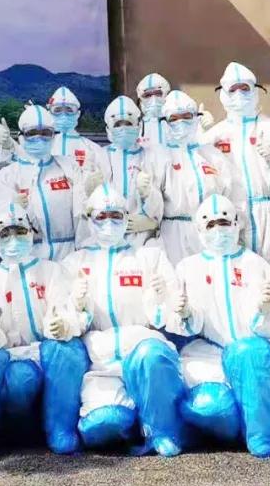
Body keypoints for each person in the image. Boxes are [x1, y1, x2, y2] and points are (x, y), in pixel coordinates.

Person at [0, 204, 90, 463]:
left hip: (43, 353)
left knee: (68, 351)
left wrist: (63, 324)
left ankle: (61, 427)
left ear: (32, 233)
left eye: (19, 231)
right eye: (5, 234)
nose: (13, 239)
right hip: (7, 357)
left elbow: (68, 308)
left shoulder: (51, 271)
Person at [60, 184, 190, 457]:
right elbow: (64, 318)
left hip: (143, 349)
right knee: (102, 425)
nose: (109, 223)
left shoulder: (149, 257)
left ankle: (162, 430)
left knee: (153, 356)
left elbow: (173, 311)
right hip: (102, 361)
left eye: (116, 216)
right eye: (101, 216)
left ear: (126, 218)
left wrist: (159, 301)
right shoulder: (75, 263)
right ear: (89, 220)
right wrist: (77, 306)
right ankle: (132, 420)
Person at [172, 195, 270, 457]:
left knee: (249, 355)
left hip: (251, 353)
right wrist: (184, 313)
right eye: (210, 225)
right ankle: (232, 427)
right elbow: (180, 323)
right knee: (209, 407)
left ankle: (261, 435)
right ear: (199, 230)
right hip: (208, 355)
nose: (218, 230)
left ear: (236, 224)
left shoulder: (255, 264)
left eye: (224, 222)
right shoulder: (188, 268)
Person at [201, 63, 270, 265]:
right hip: (231, 216)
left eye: (244, 88)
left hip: (269, 214)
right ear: (223, 94)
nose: (239, 94)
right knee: (237, 272)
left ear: (255, 91)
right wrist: (198, 133)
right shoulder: (215, 134)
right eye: (233, 90)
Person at [0, 104, 99, 261]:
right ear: (21, 137)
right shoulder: (8, 175)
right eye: (32, 133)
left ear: (53, 136)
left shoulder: (68, 167)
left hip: (68, 255)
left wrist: (90, 195)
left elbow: (82, 216)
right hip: (28, 256)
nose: (39, 138)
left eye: (45, 133)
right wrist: (10, 208)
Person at [144, 90, 233, 264]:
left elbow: (231, 193)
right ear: (165, 122)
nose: (181, 122)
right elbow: (154, 206)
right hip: (174, 234)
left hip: (212, 230)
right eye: (174, 118)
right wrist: (147, 193)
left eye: (187, 116)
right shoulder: (159, 157)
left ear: (196, 118)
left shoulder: (211, 154)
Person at [98, 95, 164, 248]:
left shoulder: (152, 157)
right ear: (108, 129)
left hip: (144, 240)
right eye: (117, 124)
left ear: (138, 126)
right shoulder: (99, 157)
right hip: (108, 239)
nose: (123, 129)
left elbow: (165, 200)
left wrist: (152, 221)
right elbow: (87, 205)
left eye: (128, 123)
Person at [46, 86, 106, 173]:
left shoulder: (92, 149)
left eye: (69, 110)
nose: (64, 115)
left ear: (78, 114)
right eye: (57, 110)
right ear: (49, 114)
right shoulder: (43, 147)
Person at [136, 73, 170, 147]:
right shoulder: (135, 129)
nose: (153, 100)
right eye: (147, 95)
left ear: (167, 95)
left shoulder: (177, 125)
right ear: (140, 100)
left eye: (158, 94)